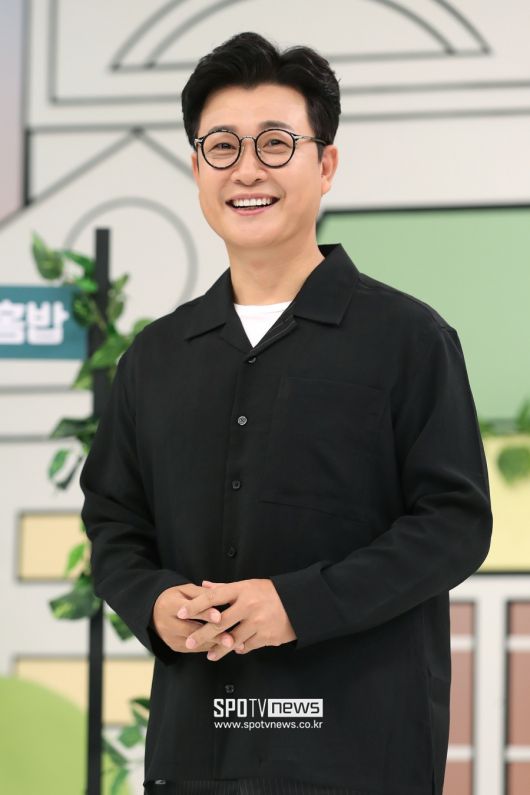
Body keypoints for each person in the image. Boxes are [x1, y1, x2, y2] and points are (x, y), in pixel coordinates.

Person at [79, 31, 493, 795]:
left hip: (358, 757)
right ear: (197, 169)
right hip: (195, 757)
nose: (247, 170)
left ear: (325, 163)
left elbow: (454, 523)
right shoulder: (155, 358)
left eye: (275, 143)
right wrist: (155, 602)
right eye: (222, 146)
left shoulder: (408, 339)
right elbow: (114, 523)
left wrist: (296, 604)